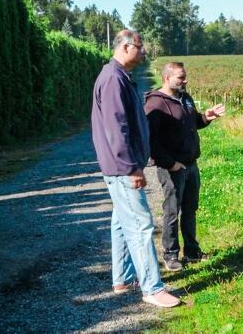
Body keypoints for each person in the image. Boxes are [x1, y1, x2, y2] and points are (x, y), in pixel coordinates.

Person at [90, 30, 181, 308]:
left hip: (119, 166)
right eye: (141, 48)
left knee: (121, 222)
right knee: (141, 225)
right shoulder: (113, 79)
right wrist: (132, 167)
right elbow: (117, 128)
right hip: (122, 168)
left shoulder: (118, 76)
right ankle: (152, 288)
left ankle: (122, 278)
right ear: (127, 47)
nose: (144, 53)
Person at [145, 61, 226, 271]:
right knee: (172, 211)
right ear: (166, 78)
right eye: (181, 77)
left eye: (185, 76)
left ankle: (191, 251)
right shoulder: (155, 104)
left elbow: (192, 122)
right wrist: (170, 164)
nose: (185, 80)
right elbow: (150, 140)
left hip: (191, 165)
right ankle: (171, 255)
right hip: (172, 168)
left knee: (190, 209)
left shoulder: (185, 98)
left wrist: (206, 117)